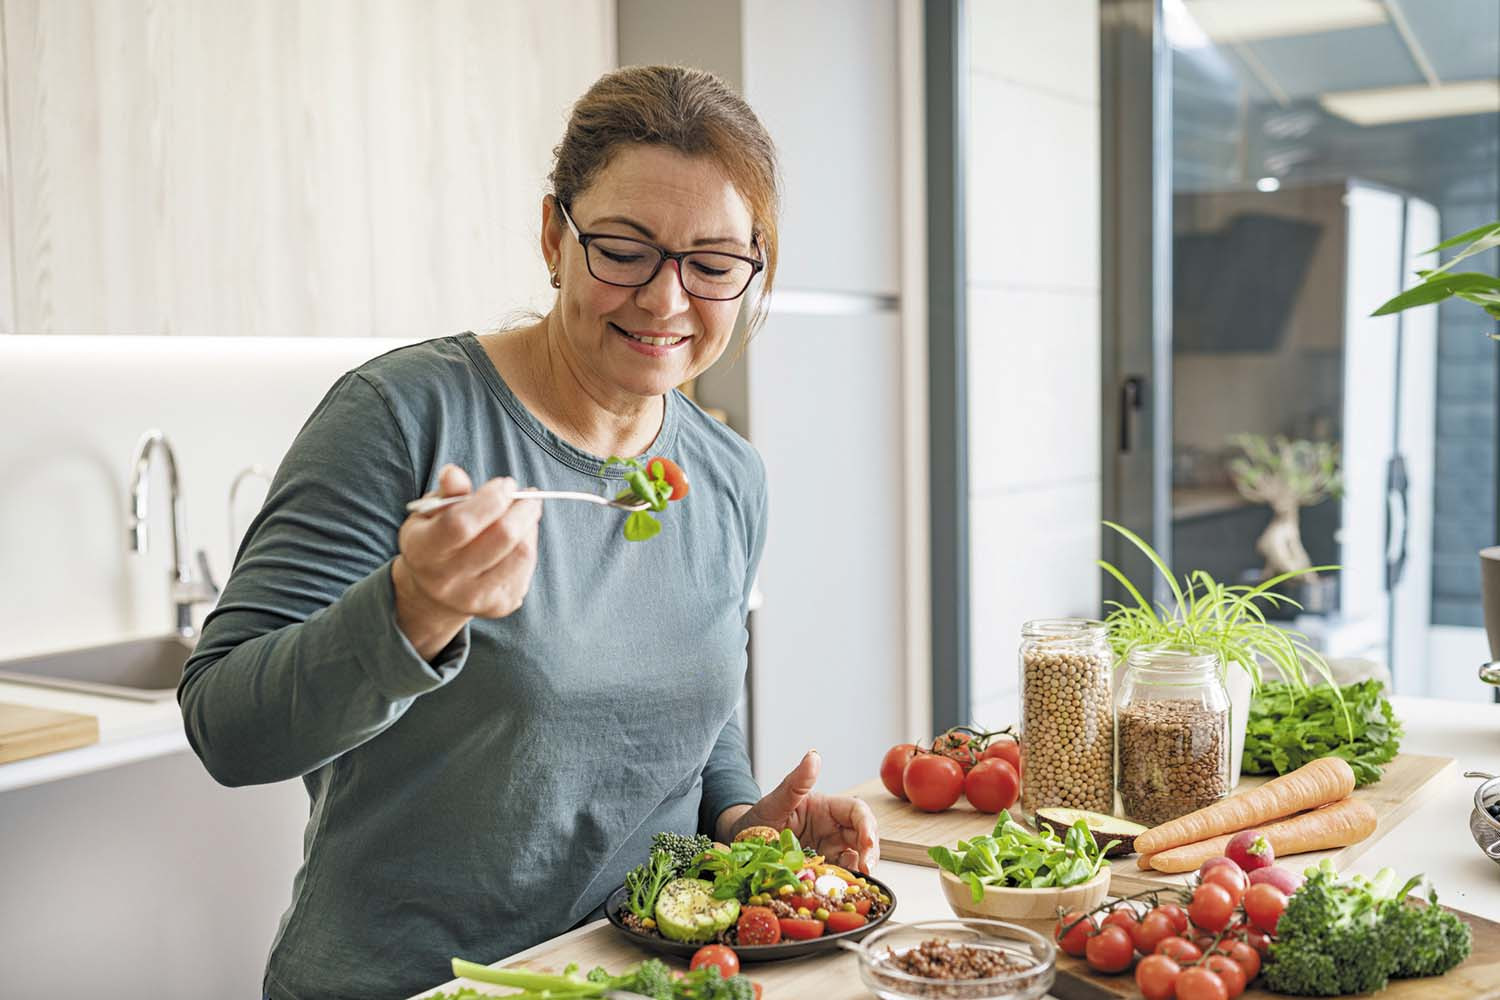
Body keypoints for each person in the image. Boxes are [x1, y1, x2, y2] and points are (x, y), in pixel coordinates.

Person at [179, 65, 879, 1000]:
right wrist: (410, 613)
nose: (667, 301)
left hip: (635, 982)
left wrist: (745, 820)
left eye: (712, 265)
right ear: (554, 236)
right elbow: (226, 728)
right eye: (624, 250)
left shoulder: (728, 475)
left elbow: (696, 722)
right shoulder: (402, 418)